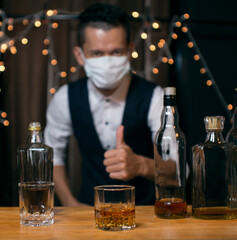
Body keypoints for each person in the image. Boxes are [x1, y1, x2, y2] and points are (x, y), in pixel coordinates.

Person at [44, 3, 164, 206]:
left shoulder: (155, 97)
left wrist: (142, 165)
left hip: (145, 213)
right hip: (88, 212)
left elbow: (180, 171)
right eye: (97, 53)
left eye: (116, 52)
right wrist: (71, 204)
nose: (107, 62)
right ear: (80, 55)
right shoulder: (65, 98)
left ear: (130, 51)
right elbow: (53, 155)